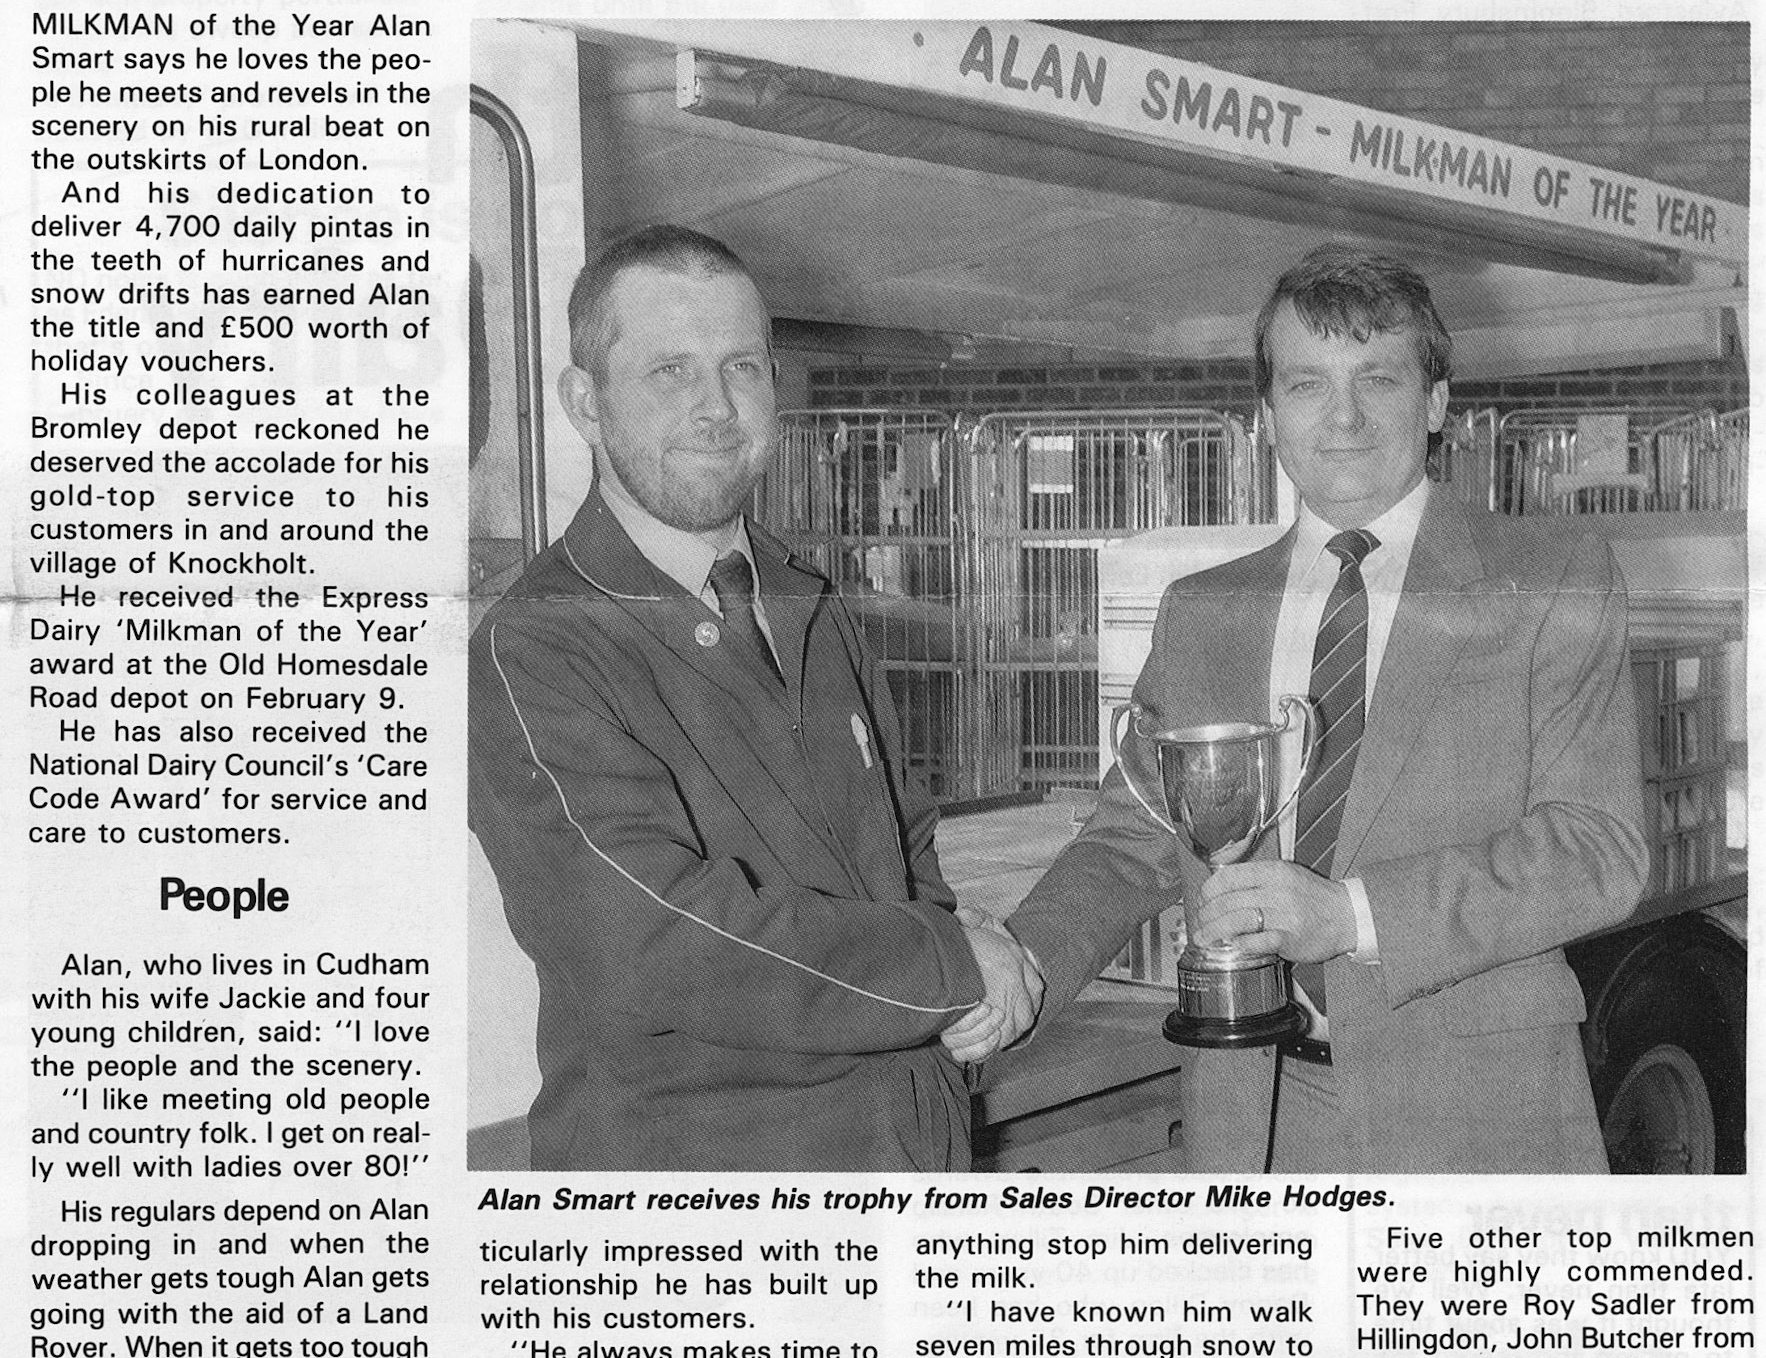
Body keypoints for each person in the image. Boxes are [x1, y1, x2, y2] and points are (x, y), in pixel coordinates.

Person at [1007, 244, 1648, 1173]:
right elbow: (1132, 838)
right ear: (1267, 414)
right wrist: (1016, 972)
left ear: (1434, 403)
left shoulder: (1549, 579)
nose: (1343, 418)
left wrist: (1350, 918)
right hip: (1253, 1114)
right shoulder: (1204, 610)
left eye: (1377, 381)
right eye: (1308, 385)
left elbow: (1598, 848)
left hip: (1477, 1115)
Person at [469, 224, 1040, 1170]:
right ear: (585, 402)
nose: (716, 408)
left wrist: (956, 954)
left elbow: (902, 846)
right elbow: (647, 942)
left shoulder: (805, 601)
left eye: (742, 366)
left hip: (903, 1140)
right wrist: (945, 963)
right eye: (668, 373)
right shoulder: (538, 645)